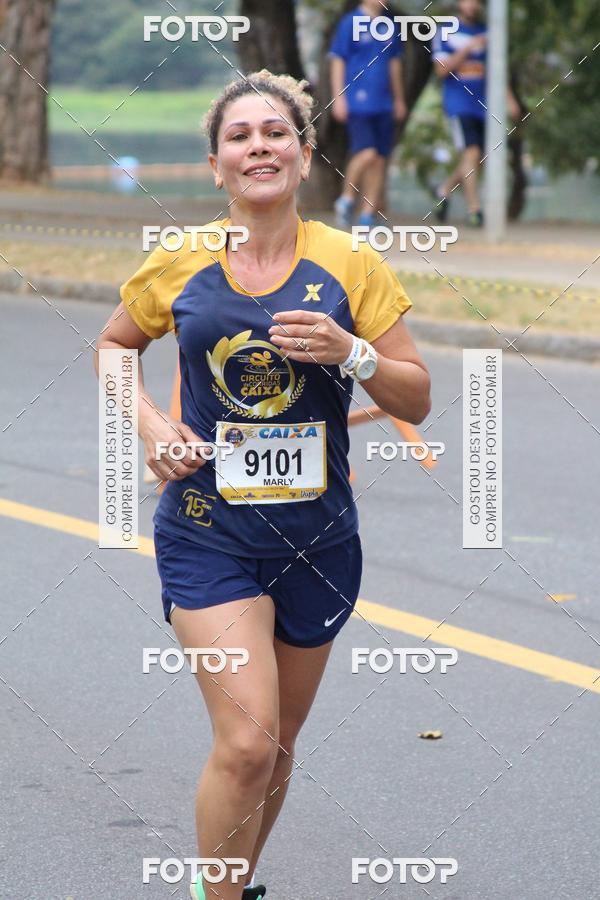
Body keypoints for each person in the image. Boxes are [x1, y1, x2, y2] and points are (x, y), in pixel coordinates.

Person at [94, 69, 431, 900]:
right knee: (247, 742)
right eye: (239, 136)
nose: (259, 147)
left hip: (320, 539)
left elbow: (416, 396)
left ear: (306, 155)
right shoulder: (180, 260)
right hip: (208, 530)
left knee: (276, 745)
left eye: (276, 133)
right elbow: (114, 347)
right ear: (216, 166)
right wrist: (152, 425)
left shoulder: (350, 262)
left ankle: (233, 886)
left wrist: (353, 352)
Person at [432, 0, 520, 225]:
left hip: (483, 106)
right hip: (459, 104)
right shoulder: (446, 31)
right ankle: (475, 210)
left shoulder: (487, 33)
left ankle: (444, 190)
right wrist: (469, 48)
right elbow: (441, 70)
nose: (472, 5)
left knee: (478, 158)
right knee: (471, 152)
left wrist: (510, 100)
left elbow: (496, 70)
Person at [329, 0, 407, 229]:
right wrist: (339, 97)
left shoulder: (389, 25)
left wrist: (399, 98)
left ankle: (367, 214)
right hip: (357, 101)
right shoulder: (350, 22)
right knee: (367, 153)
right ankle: (345, 199)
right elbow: (338, 59)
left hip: (384, 103)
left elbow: (394, 63)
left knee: (380, 159)